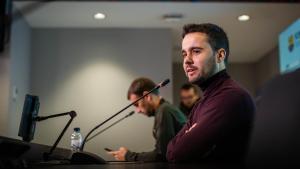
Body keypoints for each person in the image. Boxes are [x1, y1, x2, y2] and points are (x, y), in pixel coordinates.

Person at [166, 23, 255, 164]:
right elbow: (170, 150)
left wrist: (186, 136)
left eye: (196, 51)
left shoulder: (229, 97)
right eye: (184, 53)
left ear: (220, 55)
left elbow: (177, 153)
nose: (187, 60)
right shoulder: (206, 99)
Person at [108, 77, 186, 162]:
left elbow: (162, 155)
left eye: (137, 104)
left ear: (147, 96)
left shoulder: (164, 111)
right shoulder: (164, 109)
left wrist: (128, 156)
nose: (137, 111)